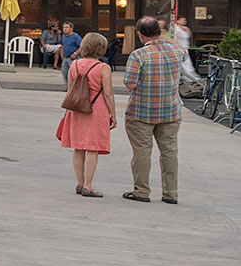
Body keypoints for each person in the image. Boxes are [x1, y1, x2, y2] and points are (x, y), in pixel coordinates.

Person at [122, 15, 183, 205]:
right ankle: (170, 193)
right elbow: (182, 52)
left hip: (141, 111)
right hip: (170, 110)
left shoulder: (138, 55)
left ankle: (141, 191)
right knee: (169, 152)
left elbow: (130, 84)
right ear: (160, 31)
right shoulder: (178, 51)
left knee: (142, 152)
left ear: (140, 34)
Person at [56, 32, 115, 197]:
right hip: (96, 110)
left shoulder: (74, 65)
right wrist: (113, 114)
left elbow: (70, 89)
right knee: (93, 148)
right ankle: (88, 186)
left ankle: (80, 183)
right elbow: (108, 94)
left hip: (75, 109)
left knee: (78, 148)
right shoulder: (103, 68)